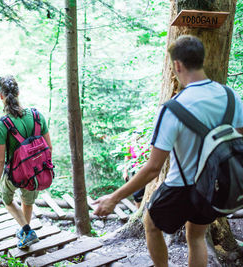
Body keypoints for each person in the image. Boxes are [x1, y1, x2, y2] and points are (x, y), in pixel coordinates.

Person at [94, 35, 243, 267]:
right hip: (215, 186)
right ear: (202, 60)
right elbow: (239, 139)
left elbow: (153, 168)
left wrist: (114, 198)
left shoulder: (173, 108)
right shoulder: (231, 96)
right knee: (195, 236)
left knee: (151, 224)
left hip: (181, 187)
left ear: (177, 65)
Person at [0, 75, 53, 249]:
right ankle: (26, 232)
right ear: (18, 92)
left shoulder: (2, 124)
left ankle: (26, 230)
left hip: (15, 173)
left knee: (5, 196)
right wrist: (41, 168)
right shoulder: (36, 115)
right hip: (36, 172)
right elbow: (49, 147)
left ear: (1, 96)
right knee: (28, 201)